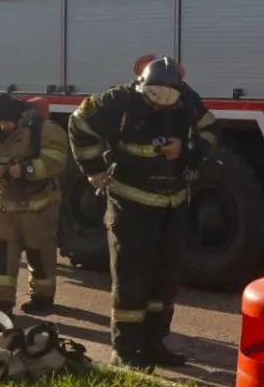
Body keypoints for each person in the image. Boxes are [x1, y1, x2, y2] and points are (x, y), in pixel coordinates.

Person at [67, 57, 217, 368]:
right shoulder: (117, 102)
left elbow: (210, 130)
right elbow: (78, 124)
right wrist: (94, 170)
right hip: (130, 204)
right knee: (131, 281)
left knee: (164, 281)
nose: (159, 106)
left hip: (172, 205)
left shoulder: (187, 99)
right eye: (153, 99)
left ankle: (154, 344)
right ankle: (125, 351)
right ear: (142, 87)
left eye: (167, 100)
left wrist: (188, 152)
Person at [0, 93, 69, 314]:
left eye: (6, 122)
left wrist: (24, 170)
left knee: (39, 253)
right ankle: (1, 301)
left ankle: (42, 297)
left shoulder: (44, 129)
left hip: (39, 205)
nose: (3, 126)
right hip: (6, 205)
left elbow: (56, 161)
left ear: (18, 116)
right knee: (2, 252)